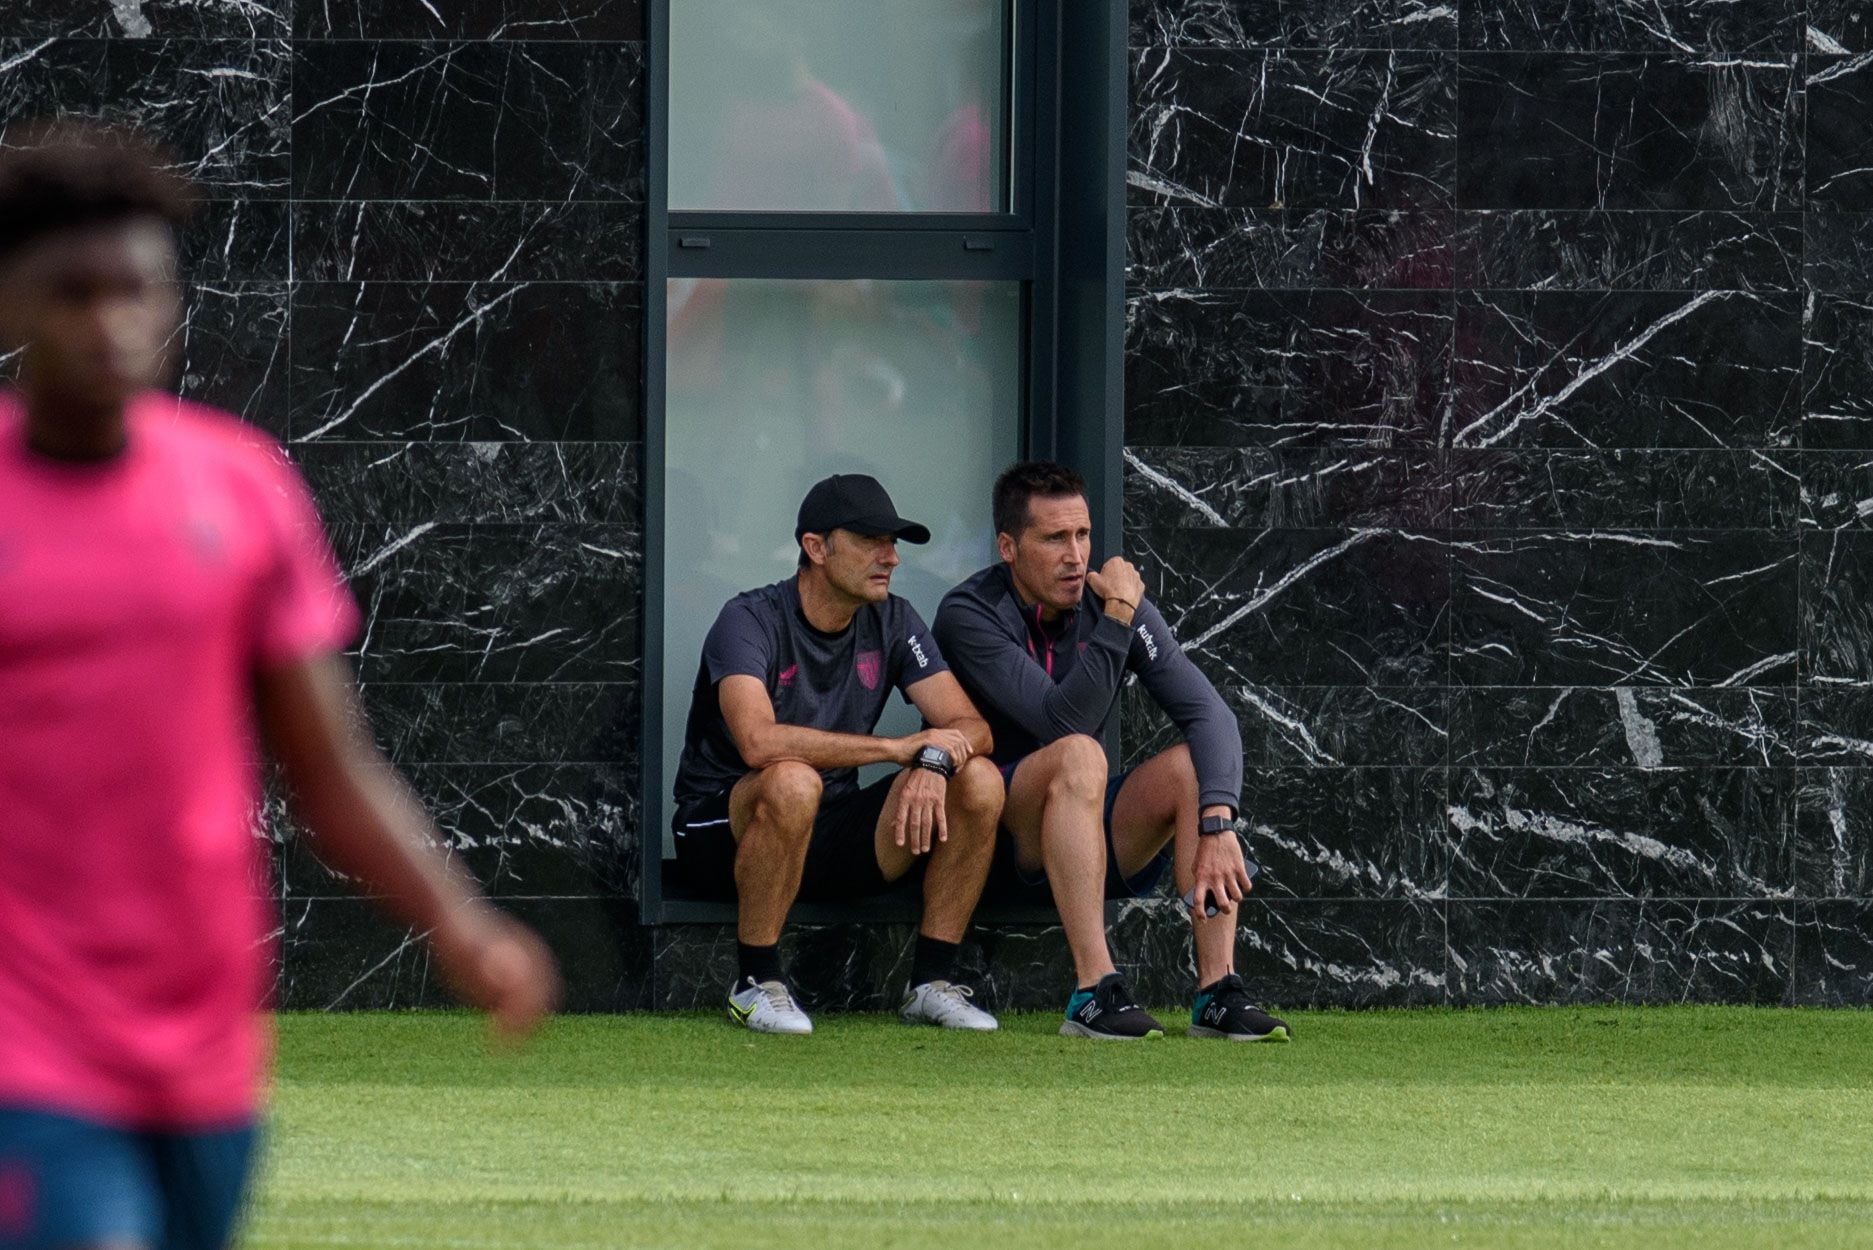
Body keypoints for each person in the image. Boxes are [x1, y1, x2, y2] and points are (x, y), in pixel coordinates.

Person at [0, 122, 560, 1250]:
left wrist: (460, 921)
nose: (110, 322)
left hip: (203, 1030)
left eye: (138, 290)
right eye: (73, 292)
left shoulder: (241, 489)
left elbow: (328, 762)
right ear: (14, 304)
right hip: (23, 1034)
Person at [934, 461, 1290, 1042]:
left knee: (1192, 767)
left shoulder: (1108, 601)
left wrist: (1220, 822)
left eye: (1083, 535)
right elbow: (1059, 720)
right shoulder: (968, 614)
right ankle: (1093, 989)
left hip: (1085, 827)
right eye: (1054, 539)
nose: (1076, 555)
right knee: (1079, 752)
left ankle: (1217, 990)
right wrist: (1121, 617)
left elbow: (1212, 716)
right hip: (997, 836)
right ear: (1008, 547)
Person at [672, 473, 1004, 1035]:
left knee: (981, 781)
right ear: (816, 548)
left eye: (894, 543)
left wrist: (933, 762)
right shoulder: (748, 619)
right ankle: (754, 981)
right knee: (793, 780)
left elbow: (971, 726)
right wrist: (897, 749)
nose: (891, 558)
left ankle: (930, 983)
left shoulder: (894, 619)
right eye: (872, 540)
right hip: (724, 832)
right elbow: (758, 741)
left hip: (835, 831)